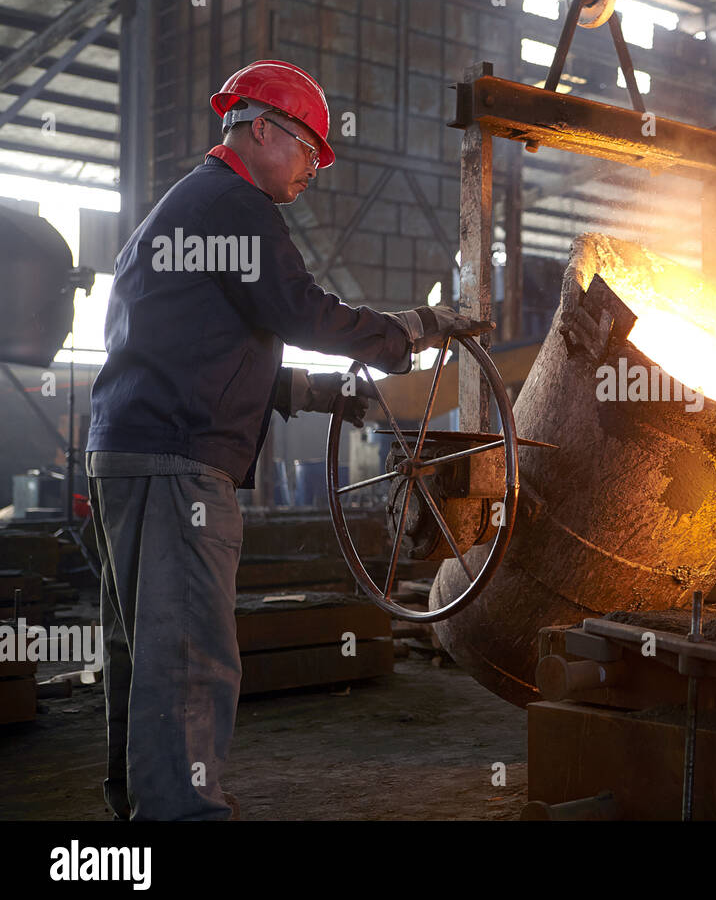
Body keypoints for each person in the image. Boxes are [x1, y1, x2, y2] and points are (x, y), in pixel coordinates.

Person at [86, 60, 486, 820]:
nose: (312, 170)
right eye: (307, 148)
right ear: (261, 128)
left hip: (132, 452)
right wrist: (417, 328)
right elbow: (306, 314)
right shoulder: (236, 207)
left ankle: (139, 807)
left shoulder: (185, 207)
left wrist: (312, 392)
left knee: (144, 653)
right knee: (191, 654)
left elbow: (202, 349)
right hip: (178, 464)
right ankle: (180, 814)